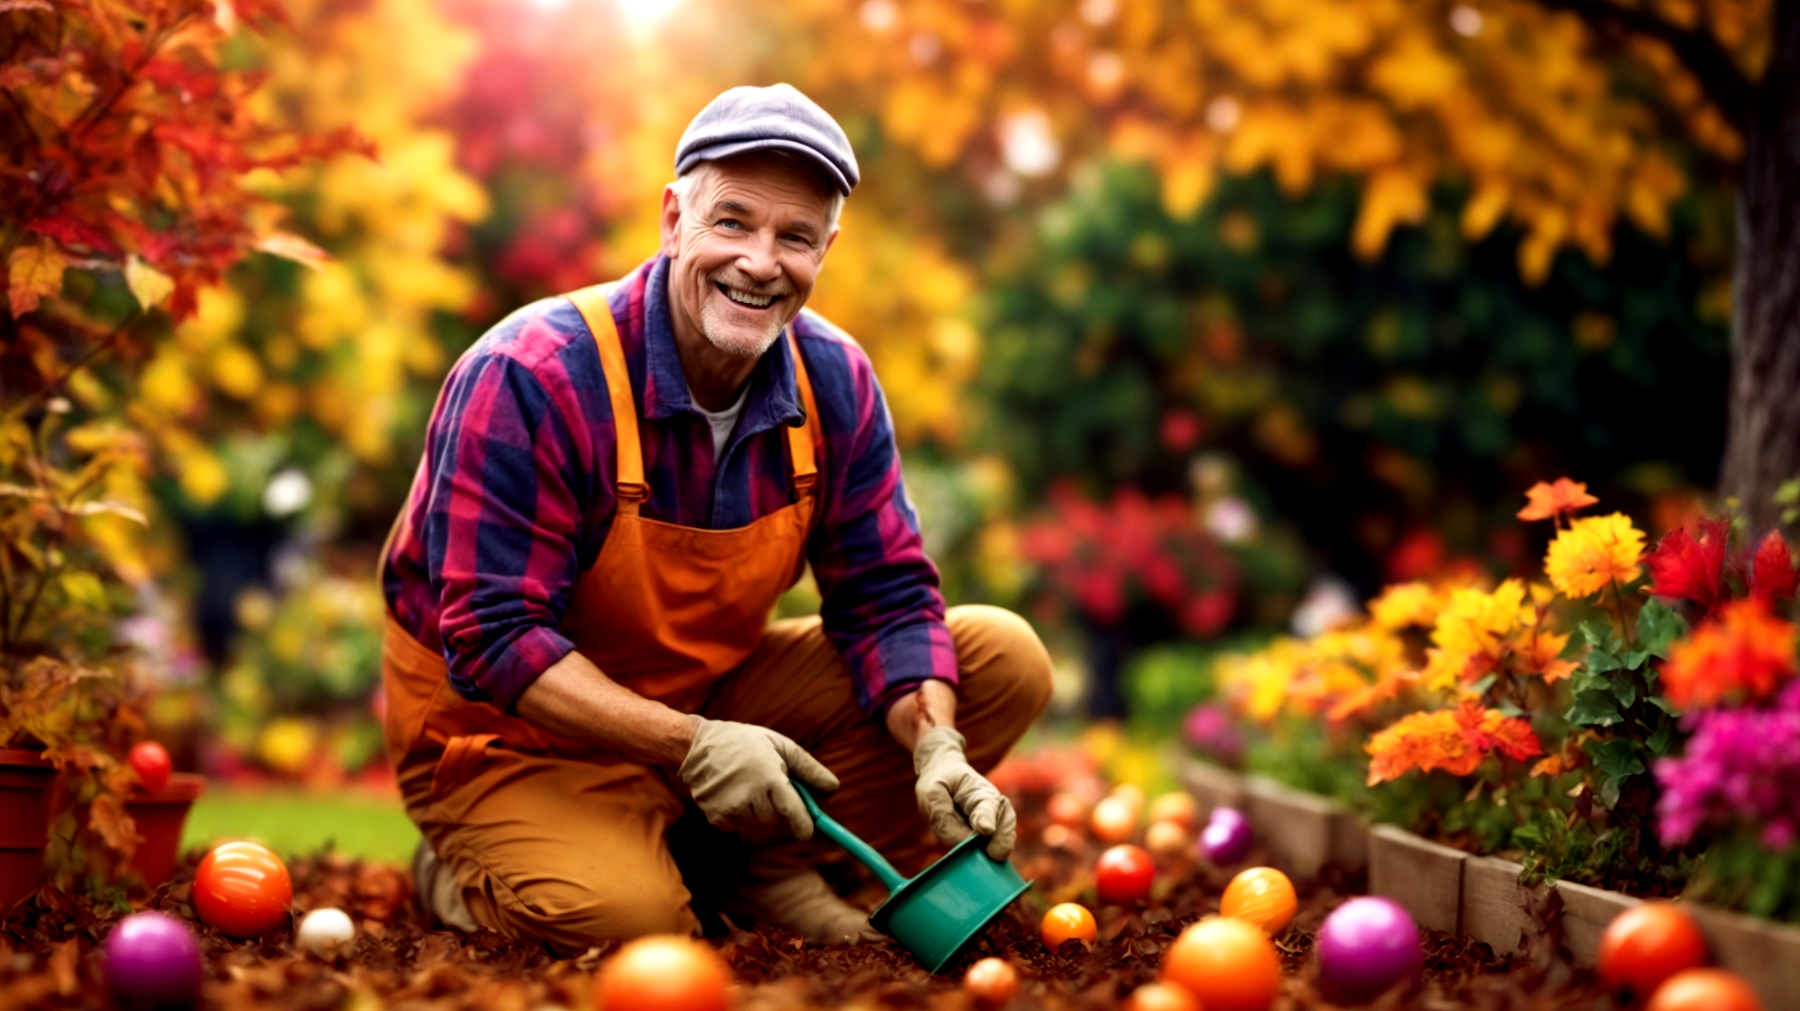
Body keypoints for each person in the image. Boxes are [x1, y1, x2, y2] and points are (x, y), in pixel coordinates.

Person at [378, 83, 1053, 953]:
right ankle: (475, 868)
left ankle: (735, 858)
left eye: (796, 237)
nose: (762, 261)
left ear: (826, 250)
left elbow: (884, 594)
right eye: (731, 222)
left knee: (1003, 659)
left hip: (709, 703)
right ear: (672, 220)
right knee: (632, 926)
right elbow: (495, 637)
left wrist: (935, 745)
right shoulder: (532, 374)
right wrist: (692, 743)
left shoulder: (833, 379)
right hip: (511, 737)